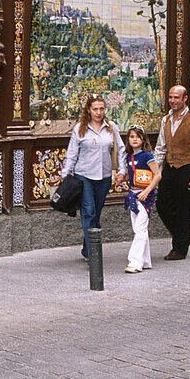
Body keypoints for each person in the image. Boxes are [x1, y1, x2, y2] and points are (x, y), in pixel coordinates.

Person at [61, 93, 127, 261]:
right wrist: (65, 175)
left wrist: (122, 170)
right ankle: (93, 255)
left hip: (104, 177)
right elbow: (72, 154)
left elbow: (120, 150)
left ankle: (87, 248)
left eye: (101, 109)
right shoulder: (79, 129)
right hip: (84, 177)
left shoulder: (111, 127)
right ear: (89, 110)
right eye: (95, 109)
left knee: (96, 214)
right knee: (89, 213)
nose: (98, 112)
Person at [153, 85, 190, 260]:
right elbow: (161, 148)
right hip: (170, 168)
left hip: (187, 168)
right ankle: (183, 236)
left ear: (185, 99)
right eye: (170, 97)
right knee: (162, 205)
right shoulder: (166, 120)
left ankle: (179, 248)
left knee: (184, 209)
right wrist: (156, 171)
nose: (173, 101)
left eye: (176, 97)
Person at [123, 125, 160, 273]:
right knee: (139, 229)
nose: (134, 139)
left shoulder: (147, 156)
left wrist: (147, 191)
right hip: (133, 194)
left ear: (143, 139)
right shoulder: (128, 157)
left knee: (140, 228)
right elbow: (130, 175)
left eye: (137, 137)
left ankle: (135, 262)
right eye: (132, 137)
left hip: (145, 196)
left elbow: (157, 175)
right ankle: (145, 261)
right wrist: (122, 177)